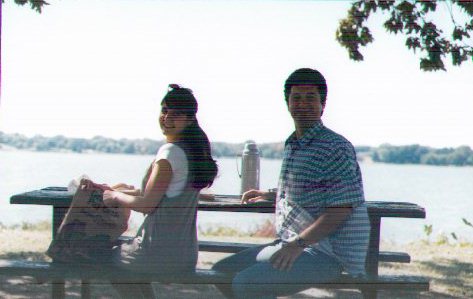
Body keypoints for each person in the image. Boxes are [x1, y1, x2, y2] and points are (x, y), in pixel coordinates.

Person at [212, 68, 371, 298]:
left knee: (248, 284)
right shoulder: (293, 144)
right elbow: (309, 188)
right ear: (287, 103)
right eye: (296, 97)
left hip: (328, 253)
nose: (302, 104)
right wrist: (273, 195)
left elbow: (340, 210)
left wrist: (297, 245)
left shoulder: (335, 147)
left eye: (311, 98)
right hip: (293, 243)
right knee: (221, 272)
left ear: (323, 104)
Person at [83, 84, 218, 298]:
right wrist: (120, 190)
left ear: (190, 119)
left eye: (176, 114)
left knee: (98, 258)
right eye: (164, 111)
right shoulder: (192, 151)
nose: (166, 118)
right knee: (124, 263)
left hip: (156, 253)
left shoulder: (170, 153)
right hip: (185, 255)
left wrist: (115, 196)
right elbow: (162, 194)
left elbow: (147, 205)